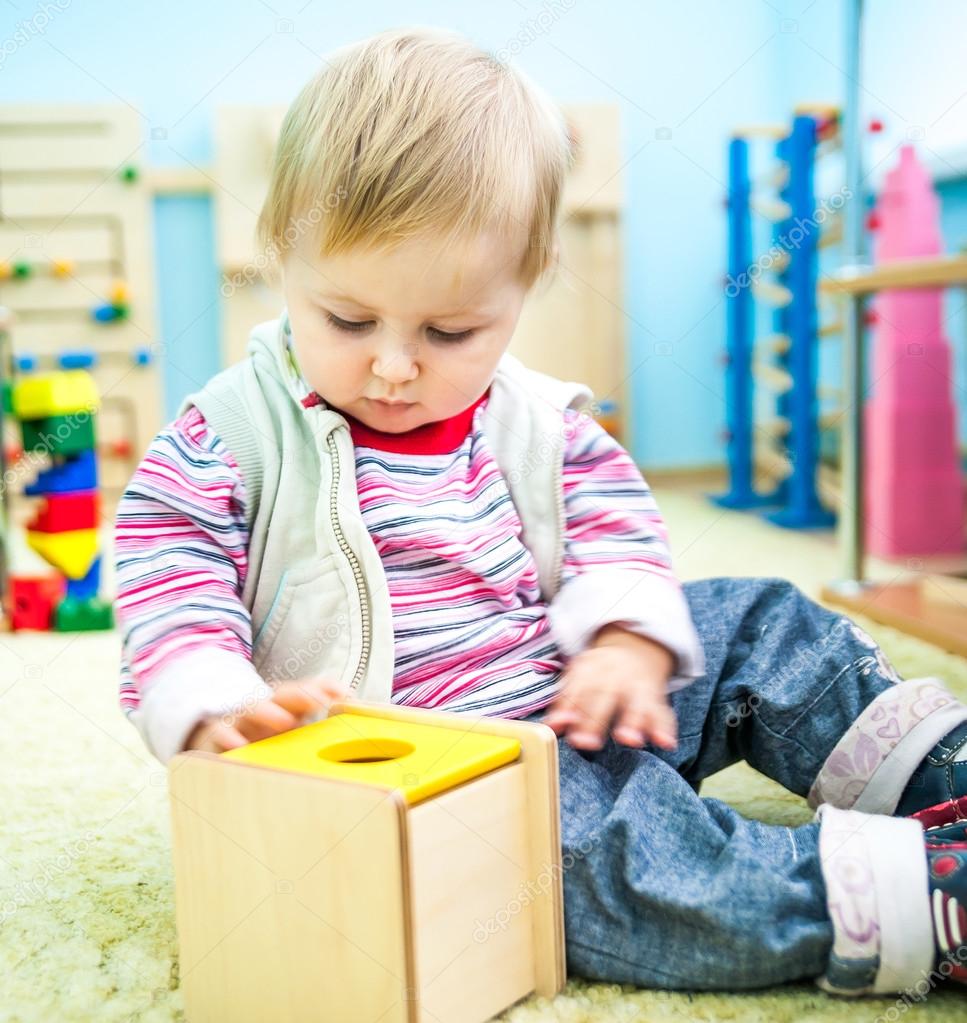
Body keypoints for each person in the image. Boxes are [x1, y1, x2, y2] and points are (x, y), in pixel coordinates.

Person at [115, 26, 967, 998]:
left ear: (524, 286)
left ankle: (937, 771)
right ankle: (913, 900)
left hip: (585, 697)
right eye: (347, 321)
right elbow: (166, 562)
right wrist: (214, 698)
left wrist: (622, 640)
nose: (394, 366)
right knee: (616, 866)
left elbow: (617, 529)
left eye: (450, 330)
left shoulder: (538, 420)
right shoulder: (230, 431)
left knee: (760, 620)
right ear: (280, 262)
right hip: (450, 777)